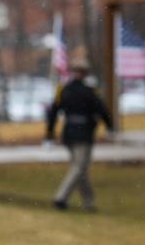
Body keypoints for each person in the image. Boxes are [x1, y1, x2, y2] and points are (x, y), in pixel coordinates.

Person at [47, 54, 113, 212]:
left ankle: (88, 202)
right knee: (79, 168)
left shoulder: (66, 90)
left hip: (72, 133)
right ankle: (61, 197)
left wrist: (50, 131)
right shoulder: (86, 91)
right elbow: (102, 110)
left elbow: (54, 112)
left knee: (79, 168)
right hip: (81, 134)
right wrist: (110, 126)